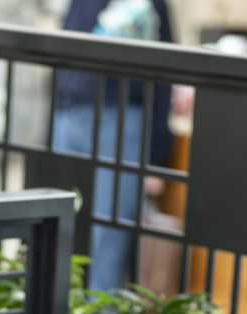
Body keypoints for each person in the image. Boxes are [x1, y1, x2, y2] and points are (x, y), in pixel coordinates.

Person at [54, 0, 175, 291]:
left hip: (120, 117)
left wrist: (156, 155)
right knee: (63, 228)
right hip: (73, 114)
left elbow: (165, 70)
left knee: (107, 235)